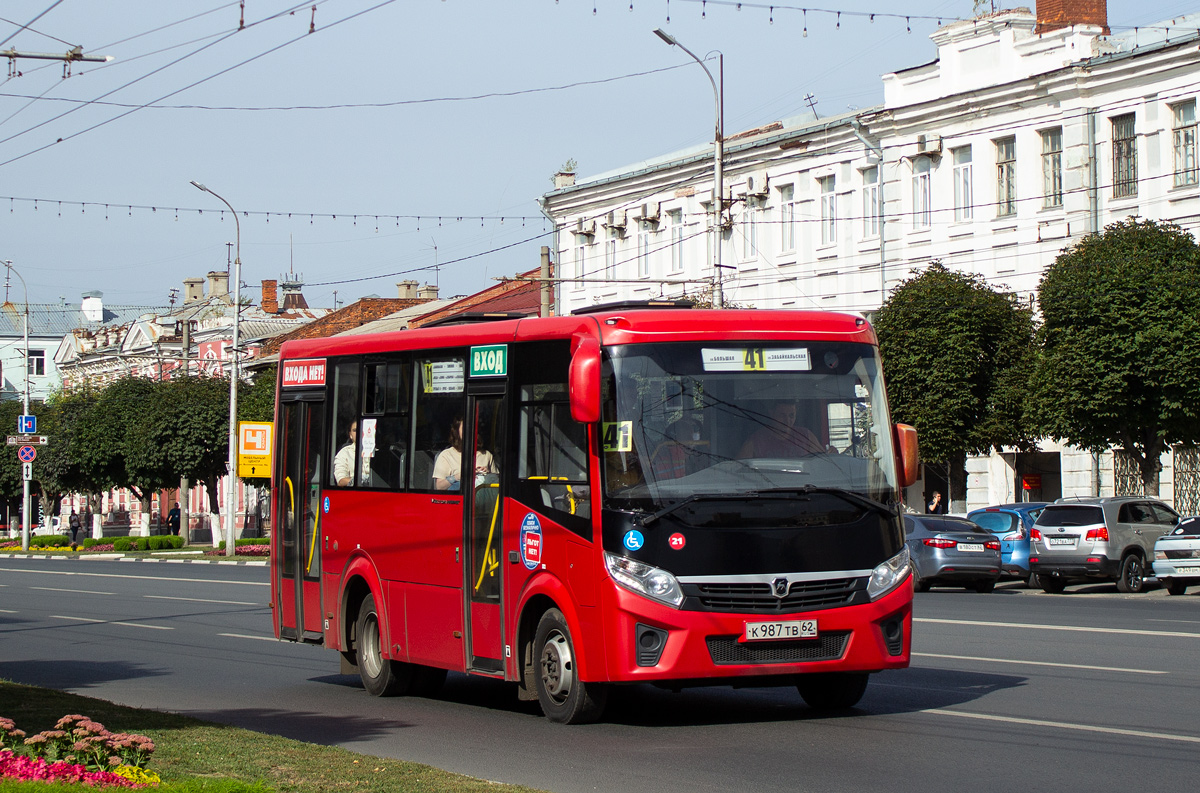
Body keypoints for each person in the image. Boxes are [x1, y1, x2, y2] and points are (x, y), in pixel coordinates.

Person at [737, 400, 825, 459]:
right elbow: (738, 468)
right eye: (782, 415)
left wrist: (831, 454)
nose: (787, 420)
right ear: (772, 413)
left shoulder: (806, 436)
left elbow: (822, 462)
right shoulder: (756, 440)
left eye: (791, 416)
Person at [433, 416, 497, 491]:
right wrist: (458, 477)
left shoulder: (486, 455)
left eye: (472, 428)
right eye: (465, 429)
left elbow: (497, 483)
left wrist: (488, 475)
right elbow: (439, 486)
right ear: (457, 432)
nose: (470, 432)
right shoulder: (446, 455)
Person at [333, 421, 358, 486]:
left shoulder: (379, 453)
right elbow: (341, 480)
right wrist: (360, 483)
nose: (359, 432)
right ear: (350, 435)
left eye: (362, 429)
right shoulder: (344, 453)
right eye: (355, 430)